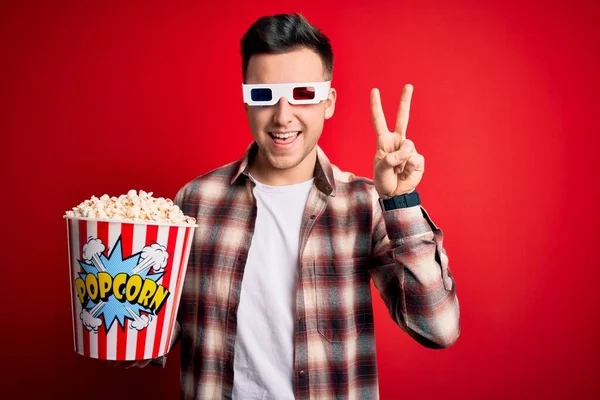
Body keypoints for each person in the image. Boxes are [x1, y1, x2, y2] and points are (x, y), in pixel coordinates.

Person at [124, 12, 460, 399]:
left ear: (328, 102)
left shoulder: (364, 205)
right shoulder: (195, 201)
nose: (283, 117)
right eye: (263, 96)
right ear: (246, 99)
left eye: (302, 94)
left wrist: (399, 202)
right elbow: (161, 325)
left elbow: (439, 328)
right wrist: (129, 332)